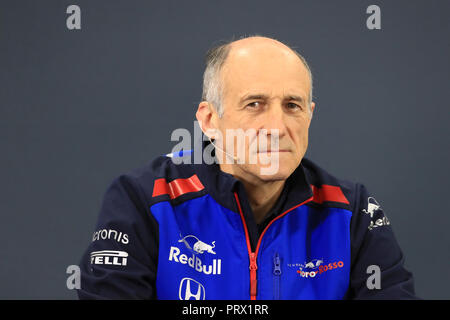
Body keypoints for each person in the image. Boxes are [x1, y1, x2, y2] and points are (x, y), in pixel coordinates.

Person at [77, 36, 417, 299]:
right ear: (209, 121)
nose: (277, 126)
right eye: (255, 104)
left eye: (292, 105)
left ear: (309, 115)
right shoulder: (143, 199)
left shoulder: (352, 210)